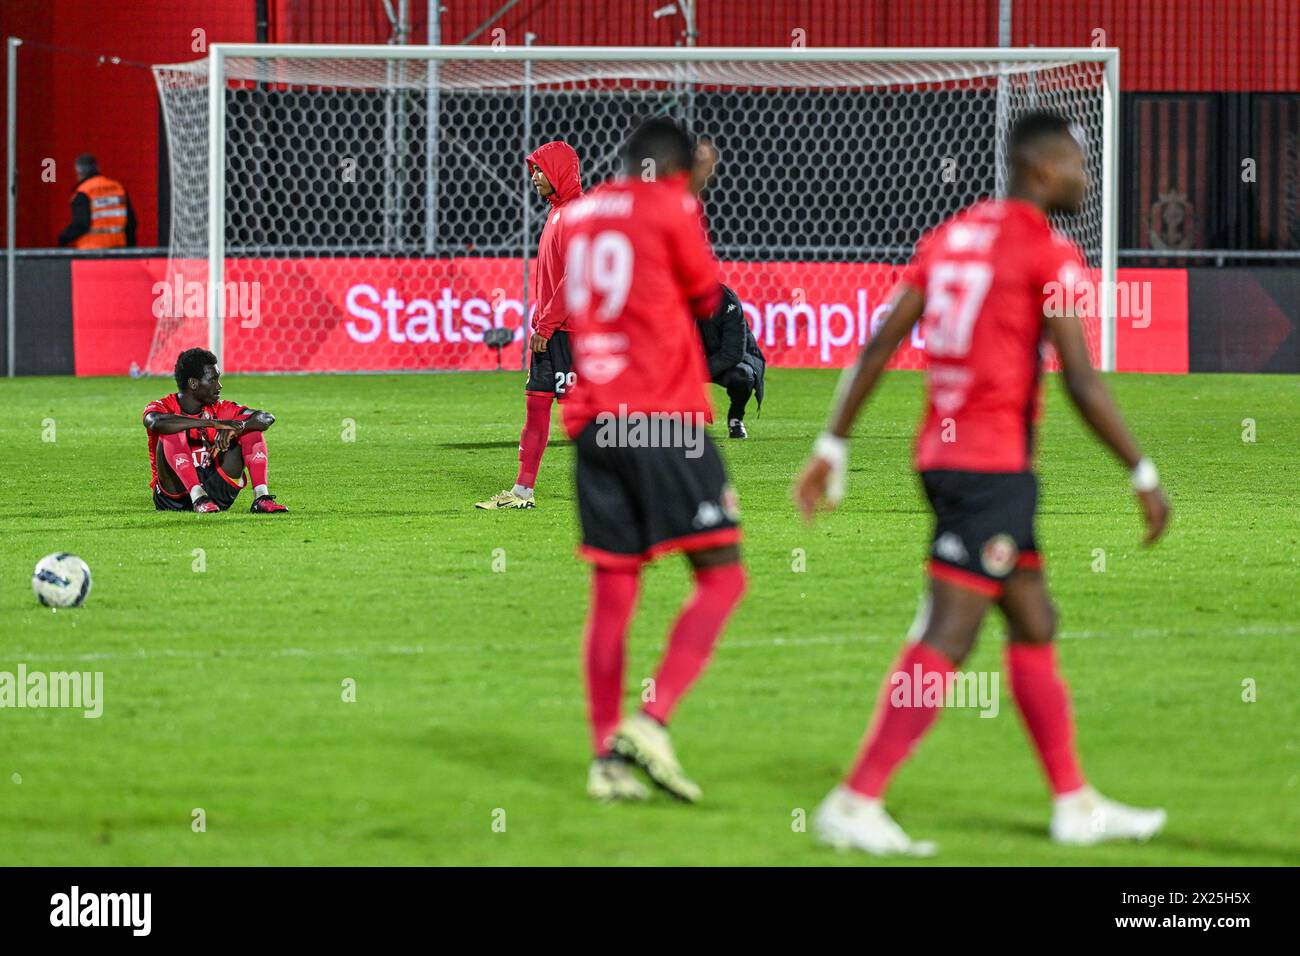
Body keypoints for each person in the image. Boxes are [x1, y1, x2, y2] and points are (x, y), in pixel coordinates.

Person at [793, 111, 1171, 855]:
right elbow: (1084, 384)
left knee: (1033, 620)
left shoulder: (953, 235)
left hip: (949, 457)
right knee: (951, 631)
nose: (1085, 179)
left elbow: (881, 341)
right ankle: (856, 798)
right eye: (1075, 165)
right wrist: (1142, 471)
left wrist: (833, 442)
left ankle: (1074, 803)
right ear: (1040, 171)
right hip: (988, 468)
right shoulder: (1050, 254)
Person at [562, 119, 746, 802]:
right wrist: (689, 195)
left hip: (593, 422)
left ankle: (604, 760)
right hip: (662, 419)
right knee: (723, 577)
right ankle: (653, 718)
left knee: (614, 595)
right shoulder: (674, 205)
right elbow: (707, 299)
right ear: (676, 167)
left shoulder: (576, 216)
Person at [476, 141, 583, 510]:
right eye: (533, 171)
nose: (534, 178)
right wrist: (541, 322)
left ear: (558, 172)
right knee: (536, 408)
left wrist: (548, 324)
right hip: (551, 333)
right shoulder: (556, 213)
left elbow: (576, 279)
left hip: (571, 335)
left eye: (539, 170)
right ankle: (522, 493)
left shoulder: (575, 215)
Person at [143, 348, 288, 514]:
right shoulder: (164, 405)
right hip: (174, 494)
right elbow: (155, 422)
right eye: (212, 380)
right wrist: (215, 424)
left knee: (251, 428)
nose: (219, 386)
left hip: (213, 491)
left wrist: (239, 428)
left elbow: (265, 418)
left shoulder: (222, 408)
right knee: (172, 427)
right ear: (193, 383)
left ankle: (262, 498)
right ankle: (197, 496)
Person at [697, 284, 765, 437]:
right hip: (696, 360)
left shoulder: (728, 301)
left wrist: (694, 376)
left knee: (743, 376)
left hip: (730, 362)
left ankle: (736, 418)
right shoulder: (678, 297)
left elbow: (733, 353)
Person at [57, 154, 136, 249]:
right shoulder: (118, 188)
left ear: (78, 172)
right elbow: (131, 222)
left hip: (91, 251)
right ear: (97, 168)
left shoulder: (83, 192)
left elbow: (81, 224)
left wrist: (63, 238)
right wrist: (130, 249)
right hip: (117, 250)